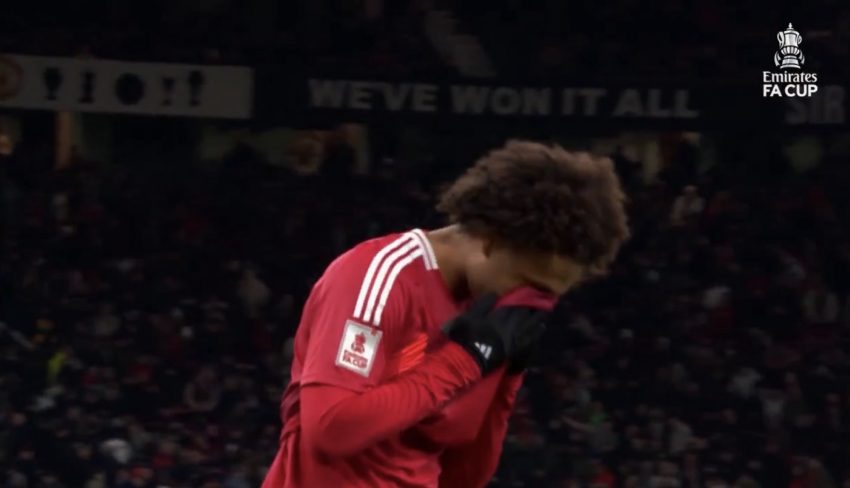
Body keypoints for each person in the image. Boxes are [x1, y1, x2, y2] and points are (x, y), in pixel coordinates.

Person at [262, 140, 630, 487]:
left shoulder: (489, 319)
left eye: (547, 295)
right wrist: (464, 362)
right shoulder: (380, 276)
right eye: (529, 283)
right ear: (490, 240)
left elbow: (464, 476)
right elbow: (332, 429)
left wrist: (506, 380)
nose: (530, 303)